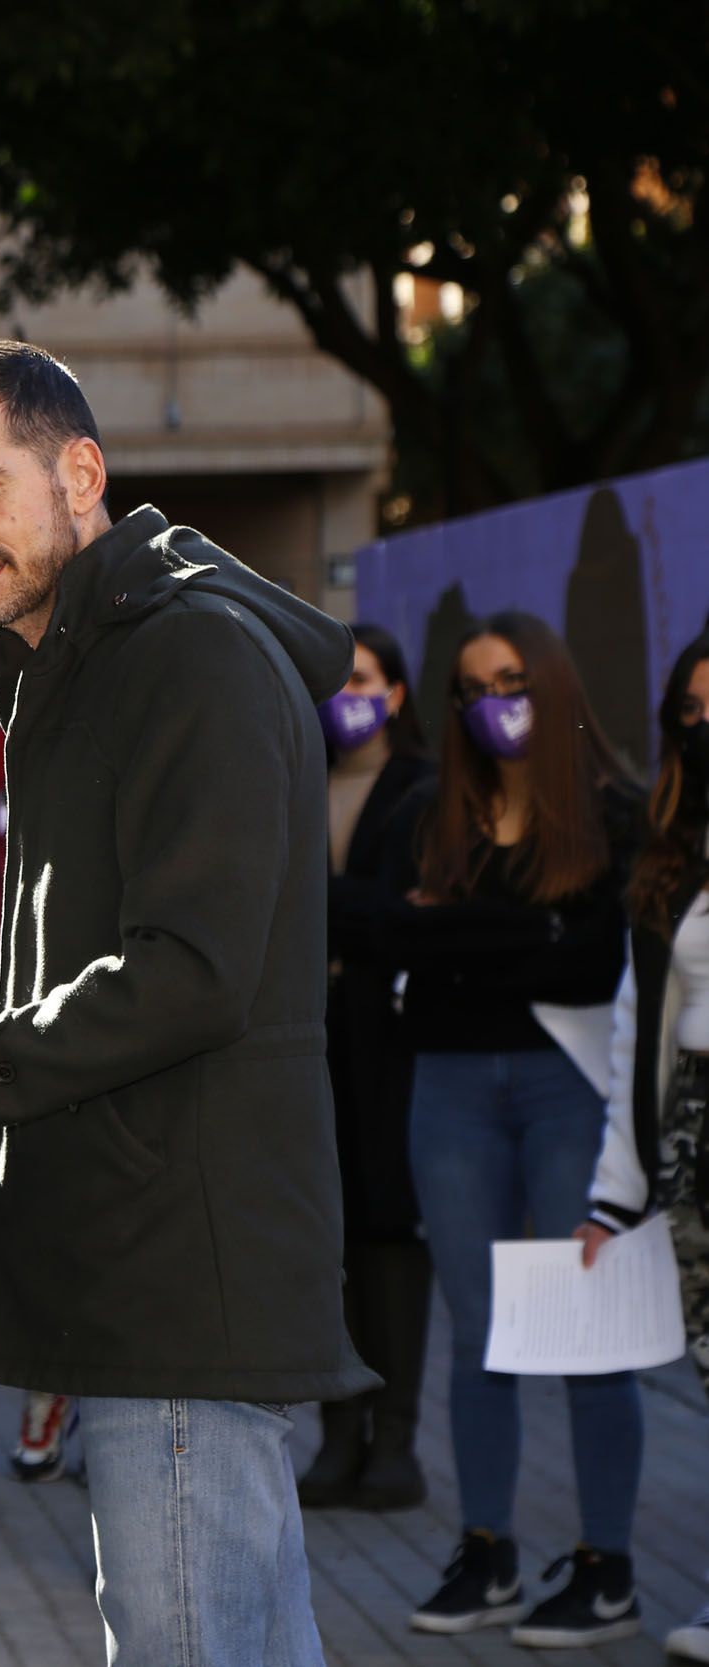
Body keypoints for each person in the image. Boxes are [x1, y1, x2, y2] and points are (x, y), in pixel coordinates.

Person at [0, 339, 371, 1661]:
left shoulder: (185, 653)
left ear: (79, 472)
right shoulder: (79, 661)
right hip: (142, 1249)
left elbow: (191, 970)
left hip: (181, 1266)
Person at [378, 612, 643, 1645]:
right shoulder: (426, 813)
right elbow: (398, 944)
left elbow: (590, 961)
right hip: (447, 1088)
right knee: (478, 1329)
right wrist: (521, 933)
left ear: (558, 684)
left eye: (514, 678)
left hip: (565, 1084)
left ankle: (606, 1565)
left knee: (585, 1329)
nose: (496, 701)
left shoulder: (614, 817)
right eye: (476, 687)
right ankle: (485, 1550)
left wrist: (460, 937)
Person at [579, 634, 709, 1663]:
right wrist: (613, 1192)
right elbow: (638, 1027)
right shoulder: (673, 857)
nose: (706, 726)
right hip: (696, 1132)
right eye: (693, 711)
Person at [297, 623, 438, 1514]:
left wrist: (335, 906)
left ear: (395, 693)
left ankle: (397, 1440)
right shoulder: (291, 777)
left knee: (389, 1233)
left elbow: (405, 917)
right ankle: (338, 1432)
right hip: (307, 1031)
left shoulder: (424, 789)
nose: (350, 694)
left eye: (367, 679)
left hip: (388, 1039)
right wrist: (367, 909)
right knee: (322, 1236)